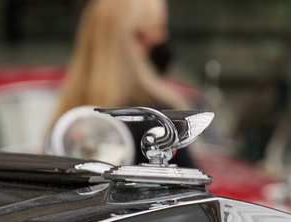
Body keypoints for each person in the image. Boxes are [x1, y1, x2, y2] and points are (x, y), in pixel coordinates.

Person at [53, 0, 194, 165]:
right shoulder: (157, 118)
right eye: (158, 27)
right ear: (138, 38)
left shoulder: (67, 121)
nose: (164, 36)